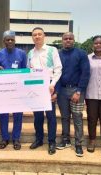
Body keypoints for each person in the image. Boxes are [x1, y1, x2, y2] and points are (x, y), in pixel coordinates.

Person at [28, 27, 62, 155]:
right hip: (35, 88)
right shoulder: (30, 53)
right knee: (37, 117)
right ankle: (39, 139)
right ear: (32, 37)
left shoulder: (52, 50)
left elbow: (58, 69)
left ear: (44, 36)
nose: (37, 37)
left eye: (39, 34)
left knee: (51, 116)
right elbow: (29, 71)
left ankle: (52, 141)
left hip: (49, 87)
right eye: (34, 35)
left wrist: (53, 85)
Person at [56, 32, 90, 157]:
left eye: (70, 38)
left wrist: (79, 91)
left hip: (76, 91)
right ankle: (65, 140)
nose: (68, 40)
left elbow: (85, 73)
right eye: (65, 39)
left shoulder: (81, 54)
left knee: (77, 118)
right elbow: (56, 74)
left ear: (74, 40)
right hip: (62, 92)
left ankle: (78, 144)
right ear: (62, 41)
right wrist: (57, 91)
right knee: (64, 117)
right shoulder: (58, 55)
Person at [0, 30, 27, 150]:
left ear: (15, 40)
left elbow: (25, 72)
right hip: (4, 90)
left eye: (12, 39)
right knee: (4, 114)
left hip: (18, 90)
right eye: (7, 39)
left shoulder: (22, 54)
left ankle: (16, 139)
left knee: (18, 114)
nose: (10, 41)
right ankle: (5, 138)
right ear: (4, 41)